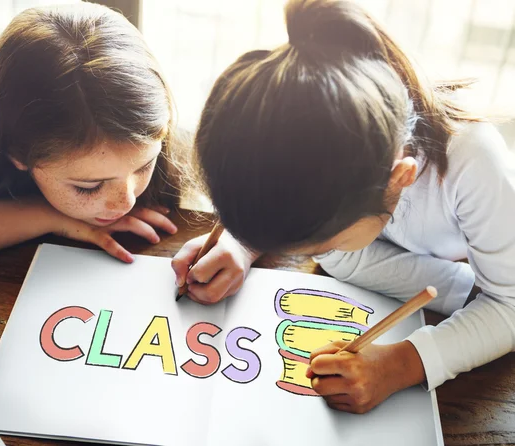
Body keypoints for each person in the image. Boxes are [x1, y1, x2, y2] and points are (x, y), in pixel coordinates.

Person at [172, 0, 515, 414]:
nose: (300, 252)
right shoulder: (296, 115)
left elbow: (509, 306)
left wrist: (401, 363)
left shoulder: (473, 162)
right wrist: (243, 243)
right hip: (429, 265)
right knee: (341, 260)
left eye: (312, 245)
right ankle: (462, 291)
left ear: (399, 179)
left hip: (494, 268)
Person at [0, 2, 182, 269]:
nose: (126, 201)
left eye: (145, 165)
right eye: (88, 186)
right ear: (17, 152)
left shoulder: (157, 127)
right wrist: (47, 215)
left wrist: (226, 245)